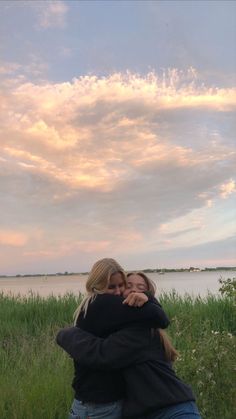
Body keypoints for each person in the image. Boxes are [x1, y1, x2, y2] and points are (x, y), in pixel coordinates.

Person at [57, 270, 201, 418]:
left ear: (147, 296)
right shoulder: (122, 326)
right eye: (129, 285)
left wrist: (66, 334)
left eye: (141, 288)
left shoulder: (140, 331)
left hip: (172, 411)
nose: (134, 290)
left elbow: (102, 354)